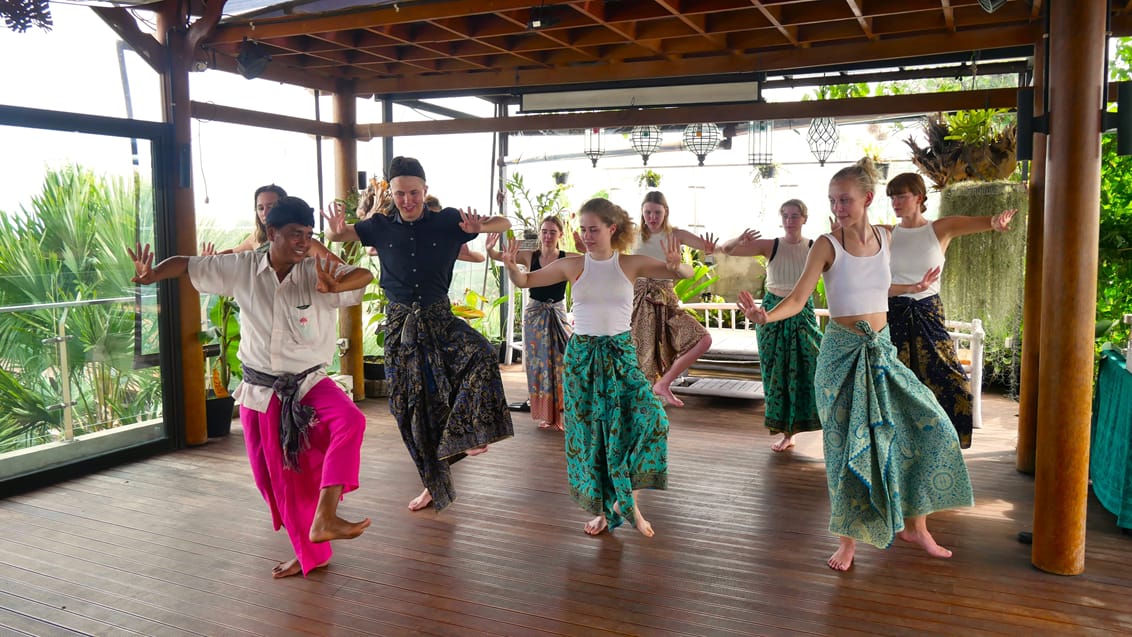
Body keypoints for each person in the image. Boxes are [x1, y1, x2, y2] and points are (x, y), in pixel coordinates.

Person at [736, 158, 974, 571]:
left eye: (844, 199)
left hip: (882, 351)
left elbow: (879, 282)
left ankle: (915, 525)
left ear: (866, 198)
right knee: (847, 450)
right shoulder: (827, 245)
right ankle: (847, 541)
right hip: (841, 357)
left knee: (932, 425)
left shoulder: (886, 236)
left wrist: (914, 287)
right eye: (832, 200)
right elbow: (796, 298)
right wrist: (764, 315)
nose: (838, 207)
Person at [127, 196, 373, 579]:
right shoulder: (241, 268)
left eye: (308, 235)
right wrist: (151, 275)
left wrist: (335, 282)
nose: (303, 242)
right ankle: (312, 552)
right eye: (295, 234)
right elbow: (185, 265)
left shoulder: (315, 270)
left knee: (351, 421)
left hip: (308, 381)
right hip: (262, 391)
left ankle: (326, 514)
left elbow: (365, 276)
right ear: (271, 232)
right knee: (281, 481)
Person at [323, 156, 514, 513]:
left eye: (413, 192)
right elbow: (340, 234)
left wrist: (480, 224)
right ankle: (432, 483)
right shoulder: (378, 225)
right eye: (400, 194)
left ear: (425, 190)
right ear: (391, 193)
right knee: (408, 411)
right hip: (399, 327)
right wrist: (334, 228)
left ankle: (469, 432)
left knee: (483, 353)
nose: (407, 200)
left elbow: (504, 221)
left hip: (439, 318)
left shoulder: (447, 220)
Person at [500, 197, 694, 537]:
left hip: (620, 354)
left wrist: (678, 266)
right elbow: (525, 282)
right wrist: (511, 266)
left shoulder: (629, 263)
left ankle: (626, 502)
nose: (587, 236)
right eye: (583, 229)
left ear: (611, 229)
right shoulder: (572, 265)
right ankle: (604, 513)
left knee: (654, 420)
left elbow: (683, 272)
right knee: (595, 439)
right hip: (582, 358)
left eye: (594, 229)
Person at [886, 173, 1016, 448]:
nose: (895, 202)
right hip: (893, 313)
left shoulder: (939, 229)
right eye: (892, 197)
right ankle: (901, 445)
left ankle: (945, 445)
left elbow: (985, 222)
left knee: (951, 381)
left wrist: (996, 222)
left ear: (919, 197)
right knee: (895, 382)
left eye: (901, 196)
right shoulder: (886, 233)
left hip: (928, 312)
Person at [720, 200, 820, 452]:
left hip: (801, 310)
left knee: (810, 367)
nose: (789, 220)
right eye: (785, 215)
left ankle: (821, 424)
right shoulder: (771, 245)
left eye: (795, 216)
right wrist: (738, 239)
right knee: (777, 373)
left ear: (804, 219)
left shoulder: (814, 247)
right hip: (770, 311)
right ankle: (788, 434)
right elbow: (727, 250)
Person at [484, 216, 581, 431]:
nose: (547, 236)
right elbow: (504, 257)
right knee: (539, 366)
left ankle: (567, 408)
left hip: (557, 311)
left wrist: (585, 244)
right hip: (535, 313)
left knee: (565, 360)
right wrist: (490, 250)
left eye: (552, 232)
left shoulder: (568, 257)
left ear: (560, 235)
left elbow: (593, 260)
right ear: (540, 233)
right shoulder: (530, 255)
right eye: (544, 231)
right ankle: (548, 415)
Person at [631, 191, 719, 407]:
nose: (652, 217)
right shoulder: (632, 234)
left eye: (657, 212)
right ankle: (642, 410)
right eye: (648, 212)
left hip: (666, 297)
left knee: (703, 339)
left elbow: (712, 251)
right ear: (642, 213)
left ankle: (665, 383)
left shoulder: (676, 235)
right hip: (639, 298)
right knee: (643, 360)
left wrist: (708, 254)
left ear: (666, 212)